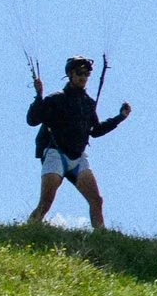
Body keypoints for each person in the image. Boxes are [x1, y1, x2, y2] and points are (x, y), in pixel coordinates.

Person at [26, 57, 129, 230]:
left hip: (78, 157)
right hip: (56, 154)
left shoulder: (87, 103)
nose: (83, 77)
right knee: (46, 202)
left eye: (87, 74)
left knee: (96, 200)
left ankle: (101, 237)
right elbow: (33, 120)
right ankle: (28, 231)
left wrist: (120, 117)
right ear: (70, 74)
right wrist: (39, 96)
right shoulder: (56, 99)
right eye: (80, 73)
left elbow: (95, 131)